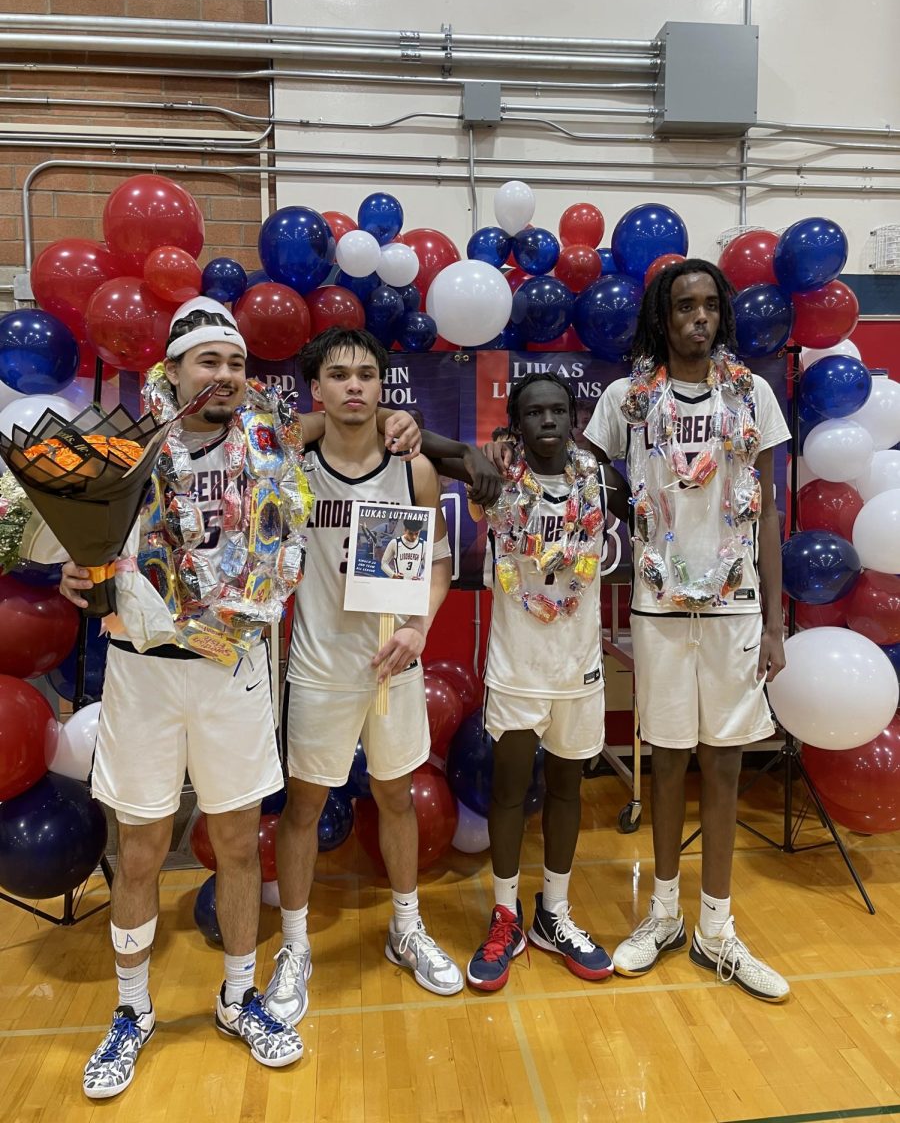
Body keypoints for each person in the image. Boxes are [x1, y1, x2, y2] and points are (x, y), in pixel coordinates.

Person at [57, 299, 419, 1098]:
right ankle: (131, 1012)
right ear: (174, 368)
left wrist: (403, 422)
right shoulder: (123, 449)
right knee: (144, 850)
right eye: (207, 362)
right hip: (143, 668)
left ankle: (236, 997)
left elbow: (354, 418)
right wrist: (74, 573)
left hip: (236, 671)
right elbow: (75, 555)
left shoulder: (273, 439)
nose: (223, 376)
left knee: (232, 840)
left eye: (235, 363)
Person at [263, 326, 499, 1027]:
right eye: (339, 375)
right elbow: (253, 420)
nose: (355, 385)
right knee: (303, 807)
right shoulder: (290, 464)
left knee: (396, 797)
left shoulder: (414, 468)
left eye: (367, 373)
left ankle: (405, 926)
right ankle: (297, 947)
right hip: (318, 664)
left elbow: (434, 565)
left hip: (393, 663)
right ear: (318, 390)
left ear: (385, 385)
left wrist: (417, 627)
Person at [583, 259, 791, 1002]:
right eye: (683, 307)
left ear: (721, 316)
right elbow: (584, 479)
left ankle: (718, 929)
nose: (697, 318)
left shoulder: (753, 393)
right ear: (662, 319)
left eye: (709, 306)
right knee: (667, 760)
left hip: (735, 603)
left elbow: (767, 509)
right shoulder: (627, 401)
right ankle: (664, 915)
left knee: (726, 763)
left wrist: (775, 620)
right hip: (659, 603)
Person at [438, 372, 630, 991]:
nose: (547, 420)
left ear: (573, 420)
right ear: (516, 424)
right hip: (517, 667)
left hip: (579, 667)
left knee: (570, 787)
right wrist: (473, 454)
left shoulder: (601, 483)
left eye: (557, 411)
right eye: (533, 413)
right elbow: (428, 446)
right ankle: (504, 914)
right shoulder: (496, 484)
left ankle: (555, 912)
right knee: (511, 791)